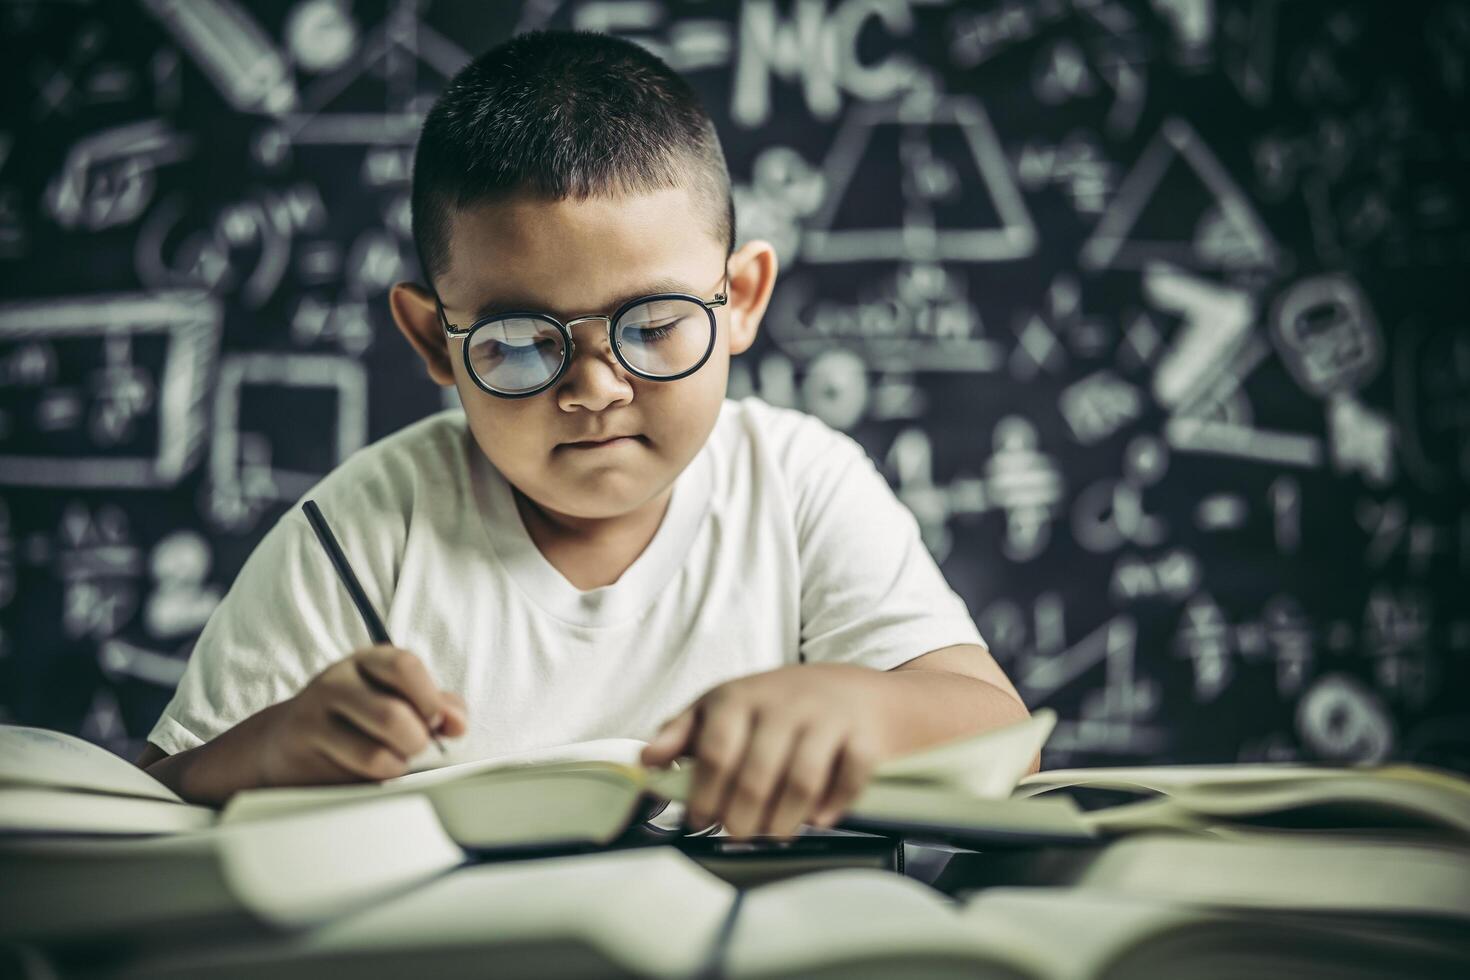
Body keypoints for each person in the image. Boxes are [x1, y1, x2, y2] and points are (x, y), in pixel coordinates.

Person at [136, 29, 1032, 841]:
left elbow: (1004, 737)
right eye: (521, 342)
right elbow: (141, 802)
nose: (596, 389)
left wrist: (861, 708)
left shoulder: (800, 484)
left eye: (653, 326)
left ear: (742, 301)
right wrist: (263, 752)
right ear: (430, 342)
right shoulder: (367, 532)